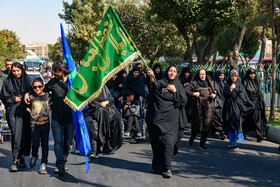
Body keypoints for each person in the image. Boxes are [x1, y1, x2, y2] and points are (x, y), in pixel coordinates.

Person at [25, 61, 74, 175]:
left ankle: (64, 159)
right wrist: (28, 93)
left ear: (61, 71)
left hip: (70, 118)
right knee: (58, 142)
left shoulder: (73, 82)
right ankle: (60, 164)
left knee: (68, 143)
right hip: (57, 118)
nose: (53, 73)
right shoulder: (52, 82)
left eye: (55, 71)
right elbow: (40, 89)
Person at [146, 65, 187, 178]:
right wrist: (151, 76)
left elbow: (183, 101)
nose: (172, 73)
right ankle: (157, 166)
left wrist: (175, 91)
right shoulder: (162, 81)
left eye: (174, 71)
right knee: (158, 143)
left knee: (168, 143)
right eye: (170, 70)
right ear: (166, 72)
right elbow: (156, 85)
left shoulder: (178, 84)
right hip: (159, 119)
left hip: (172, 121)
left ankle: (167, 168)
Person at [0, 62, 32, 172]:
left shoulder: (27, 80)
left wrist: (28, 94)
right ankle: (15, 160)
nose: (16, 73)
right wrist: (14, 99)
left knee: (24, 133)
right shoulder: (7, 81)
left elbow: (35, 92)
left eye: (18, 70)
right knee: (16, 133)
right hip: (13, 111)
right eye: (14, 71)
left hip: (25, 111)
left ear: (22, 70)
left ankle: (22, 157)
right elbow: (3, 97)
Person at [83, 85, 122, 159]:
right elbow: (90, 101)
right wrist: (99, 106)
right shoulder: (90, 87)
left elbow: (110, 98)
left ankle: (101, 149)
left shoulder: (104, 87)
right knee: (95, 132)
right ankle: (95, 151)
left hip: (105, 112)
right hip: (92, 113)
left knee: (114, 120)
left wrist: (106, 102)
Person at [223, 70, 254, 151]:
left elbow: (243, 96)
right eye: (232, 76)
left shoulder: (240, 84)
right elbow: (225, 94)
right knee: (231, 125)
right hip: (229, 109)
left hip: (237, 109)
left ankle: (233, 143)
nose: (234, 78)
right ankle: (232, 143)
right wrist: (230, 89)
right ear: (230, 76)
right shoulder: (227, 84)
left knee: (236, 126)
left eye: (235, 76)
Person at [186, 68, 216, 150]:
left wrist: (213, 95)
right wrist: (193, 93)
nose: (203, 76)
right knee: (196, 125)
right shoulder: (194, 83)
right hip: (197, 107)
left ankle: (202, 144)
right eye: (201, 74)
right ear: (198, 75)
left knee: (207, 124)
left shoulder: (209, 83)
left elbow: (214, 92)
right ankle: (192, 137)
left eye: (204, 74)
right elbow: (186, 90)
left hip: (208, 107)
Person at [25, 77, 50, 174]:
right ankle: (34, 155)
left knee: (45, 145)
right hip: (34, 124)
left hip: (45, 124)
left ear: (43, 86)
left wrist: (50, 107)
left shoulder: (48, 95)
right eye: (35, 87)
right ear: (32, 88)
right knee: (35, 143)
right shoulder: (30, 96)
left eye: (40, 86)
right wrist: (28, 109)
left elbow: (53, 101)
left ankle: (44, 164)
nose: (37, 89)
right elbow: (24, 105)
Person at [242, 68, 267, 142]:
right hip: (248, 104)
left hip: (257, 103)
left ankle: (259, 135)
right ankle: (243, 132)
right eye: (250, 74)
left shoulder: (256, 81)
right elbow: (243, 93)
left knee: (258, 119)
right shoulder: (245, 81)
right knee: (248, 120)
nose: (252, 75)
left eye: (253, 74)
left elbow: (258, 91)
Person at [212, 69, 227, 140]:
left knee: (223, 118)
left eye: (223, 75)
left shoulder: (225, 82)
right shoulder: (213, 82)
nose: (221, 77)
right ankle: (221, 132)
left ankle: (221, 131)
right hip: (216, 103)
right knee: (217, 117)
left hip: (224, 102)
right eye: (220, 75)